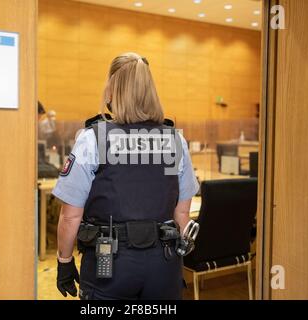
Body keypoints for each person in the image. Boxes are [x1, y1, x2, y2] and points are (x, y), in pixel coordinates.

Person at [53, 52, 199, 300]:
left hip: (109, 266)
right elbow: (182, 215)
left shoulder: (93, 138)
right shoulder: (175, 141)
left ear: (112, 91)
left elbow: (70, 217)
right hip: (163, 264)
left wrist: (64, 261)